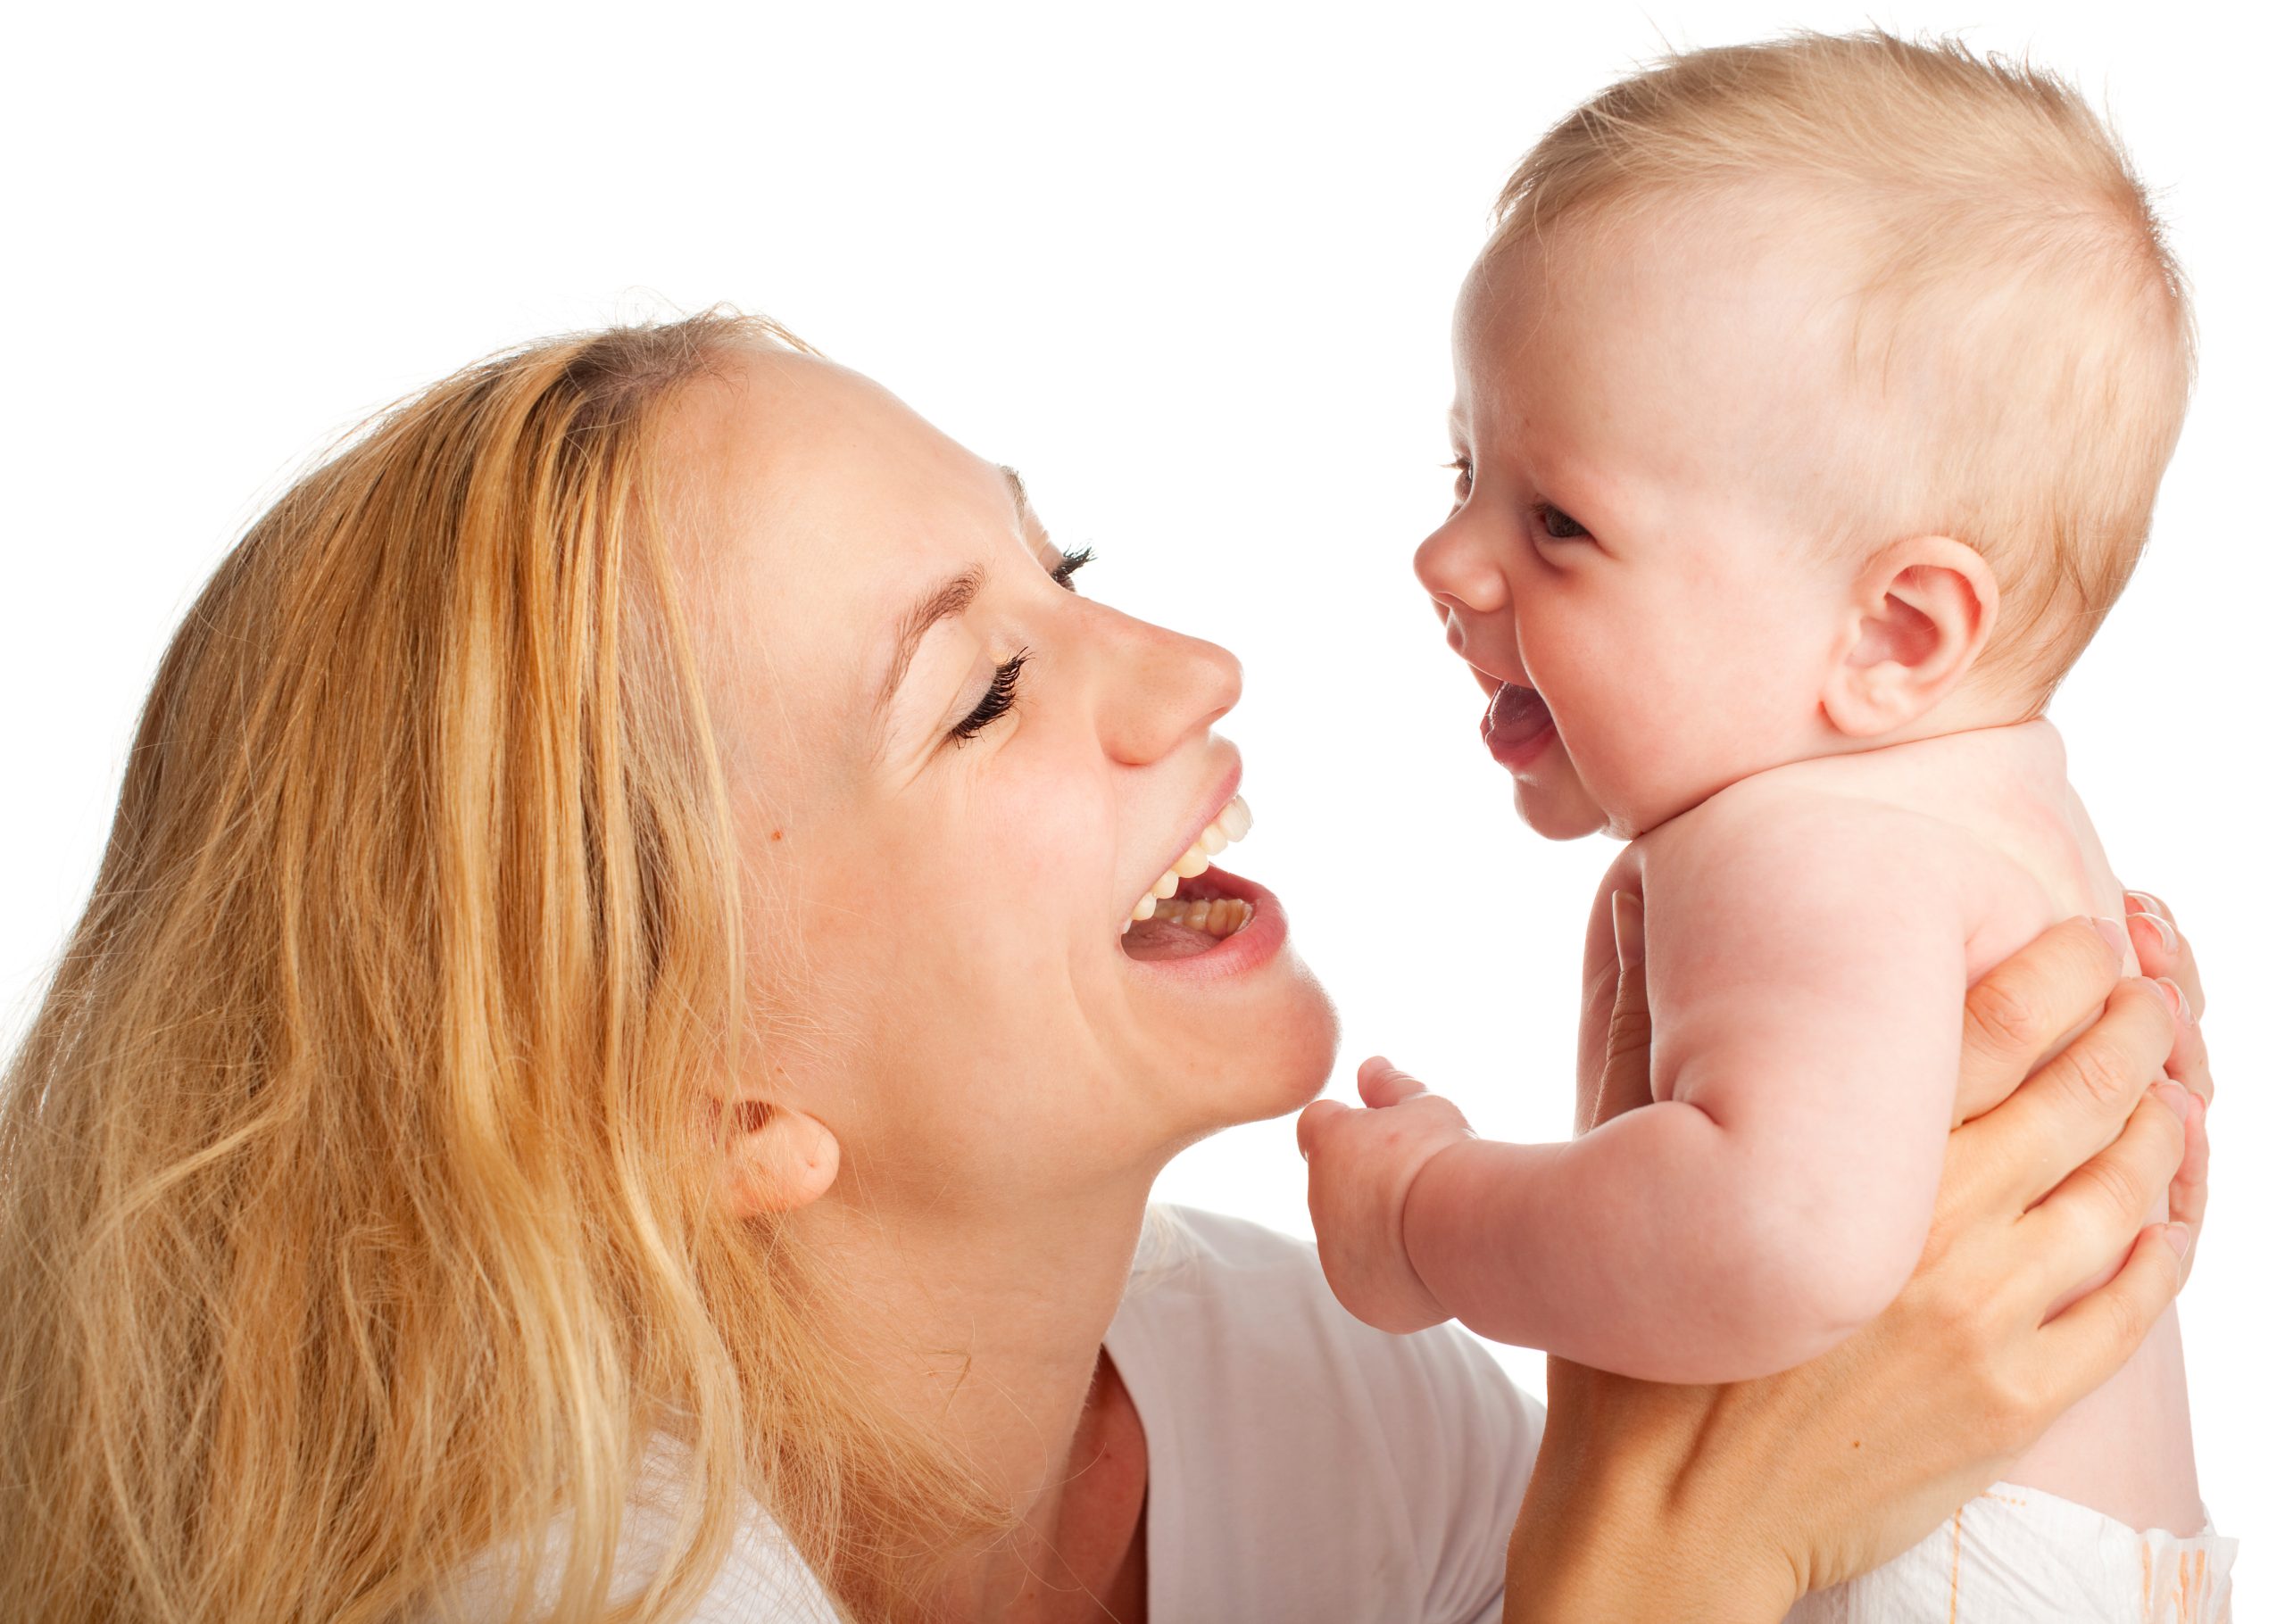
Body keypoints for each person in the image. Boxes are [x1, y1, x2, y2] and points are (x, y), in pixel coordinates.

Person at [0, 312, 2210, 1623]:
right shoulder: (548, 1576)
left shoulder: (1291, 1399)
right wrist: (1661, 1561)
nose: (1189, 668)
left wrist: (1796, 1387)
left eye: (1064, 566)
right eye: (981, 693)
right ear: (706, 1098)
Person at [1298, 34, 2229, 1619]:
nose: (1445, 558)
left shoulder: (1804, 841)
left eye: (1558, 520)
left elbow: (1779, 1241)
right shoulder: (1992, 799)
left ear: (1897, 633)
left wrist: (1422, 1217)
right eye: (1466, 468)